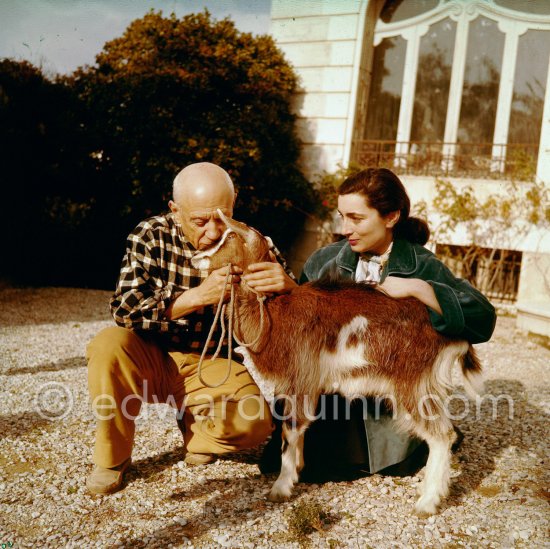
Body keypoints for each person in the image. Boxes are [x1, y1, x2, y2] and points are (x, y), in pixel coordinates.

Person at [260, 167, 496, 479]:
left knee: (368, 461)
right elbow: (303, 337)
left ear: (391, 217)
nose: (346, 228)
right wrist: (293, 290)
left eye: (356, 218)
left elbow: (483, 318)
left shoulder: (422, 265)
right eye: (342, 217)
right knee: (279, 462)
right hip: (334, 395)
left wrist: (420, 289)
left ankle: (423, 439)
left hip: (389, 401)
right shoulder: (324, 261)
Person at [86, 162, 297, 495]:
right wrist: (196, 297)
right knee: (107, 345)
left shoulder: (253, 241)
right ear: (174, 209)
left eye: (222, 217)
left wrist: (287, 286)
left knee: (256, 424)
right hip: (150, 356)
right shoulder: (151, 235)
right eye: (200, 221)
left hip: (211, 363)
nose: (213, 232)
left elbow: (291, 318)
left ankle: (196, 429)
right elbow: (124, 308)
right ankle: (112, 459)